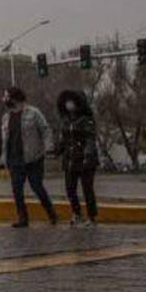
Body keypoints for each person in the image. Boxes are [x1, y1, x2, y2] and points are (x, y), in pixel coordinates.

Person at [1, 86, 57, 228]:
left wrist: (48, 147)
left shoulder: (33, 113)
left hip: (33, 158)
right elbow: (5, 140)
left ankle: (51, 213)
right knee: (17, 190)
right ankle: (22, 218)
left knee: (37, 187)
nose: (4, 99)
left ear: (15, 98)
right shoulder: (6, 117)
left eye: (6, 96)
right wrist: (4, 158)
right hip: (14, 160)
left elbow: (45, 130)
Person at [55, 89, 99, 226]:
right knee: (70, 188)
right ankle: (76, 213)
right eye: (67, 102)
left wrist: (88, 154)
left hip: (85, 160)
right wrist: (56, 151)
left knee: (87, 189)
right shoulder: (65, 120)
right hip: (69, 159)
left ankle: (91, 216)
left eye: (71, 101)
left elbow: (90, 138)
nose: (68, 104)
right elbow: (64, 139)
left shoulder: (86, 120)